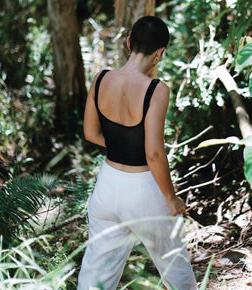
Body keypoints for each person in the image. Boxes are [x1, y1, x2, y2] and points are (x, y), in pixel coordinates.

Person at [77, 16, 197, 290]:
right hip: (143, 189)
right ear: (159, 53)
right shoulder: (156, 90)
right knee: (174, 266)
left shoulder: (101, 79)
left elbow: (91, 133)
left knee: (96, 274)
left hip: (106, 186)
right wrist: (171, 198)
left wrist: (122, 145)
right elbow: (154, 153)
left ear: (129, 42)